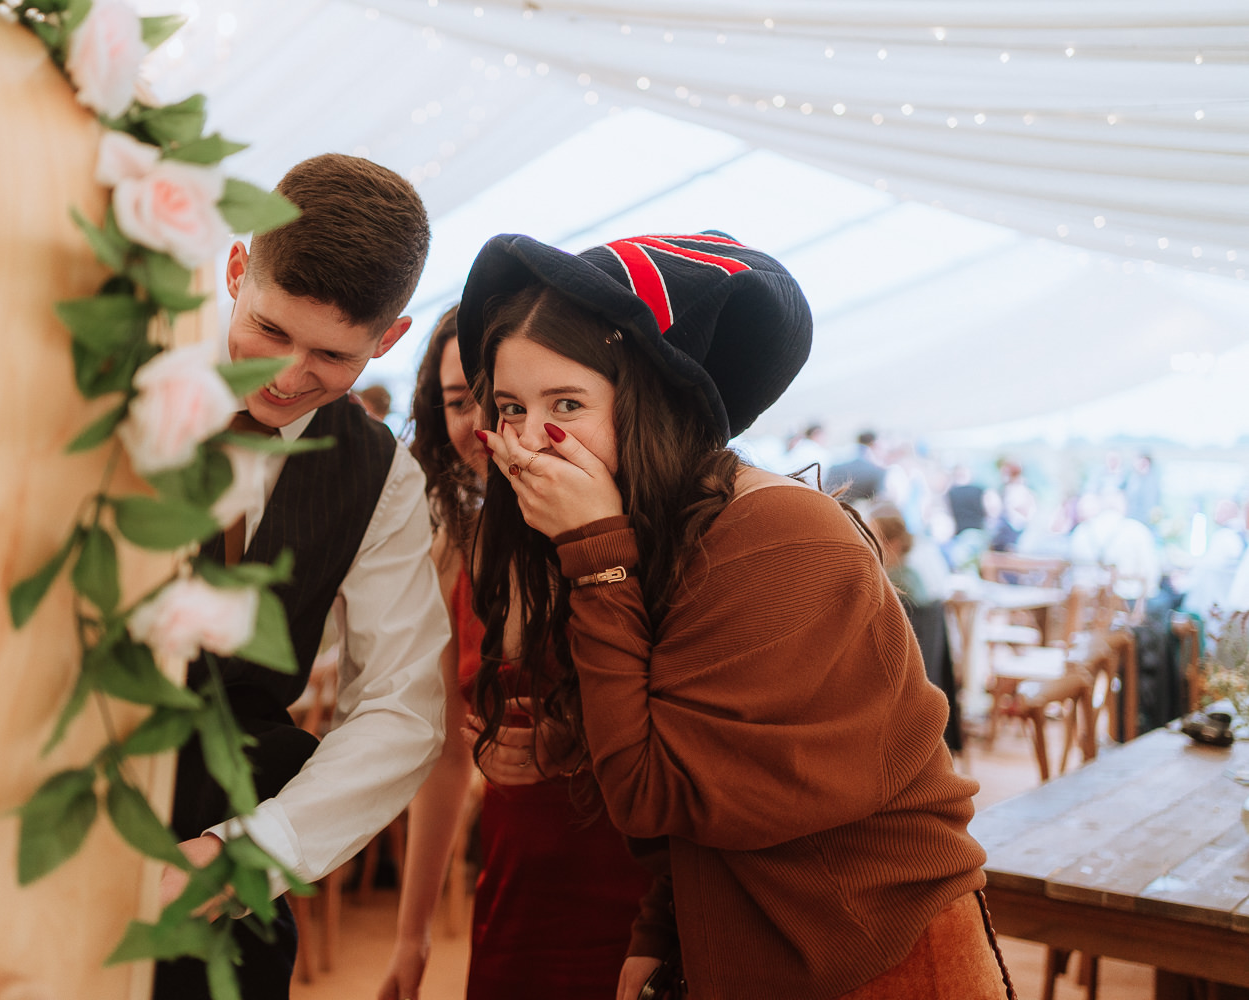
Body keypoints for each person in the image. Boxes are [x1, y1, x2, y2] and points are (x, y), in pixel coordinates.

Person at [459, 231, 1012, 999]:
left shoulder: (777, 535)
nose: (526, 442)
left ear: (651, 400)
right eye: (512, 407)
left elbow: (656, 788)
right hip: (756, 943)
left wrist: (597, 555)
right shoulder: (663, 530)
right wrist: (662, 931)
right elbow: (720, 790)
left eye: (568, 405)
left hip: (871, 954)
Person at [153, 153, 448, 1000]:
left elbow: (400, 709)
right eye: (271, 331)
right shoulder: (119, 379)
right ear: (238, 270)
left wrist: (243, 854)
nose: (287, 377)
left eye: (332, 356)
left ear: (387, 339)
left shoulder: (382, 477)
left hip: (232, 853)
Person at [377, 308, 651, 1000]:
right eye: (459, 403)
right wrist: (412, 938)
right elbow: (440, 754)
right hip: (516, 875)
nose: (484, 427)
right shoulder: (454, 553)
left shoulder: (630, 537)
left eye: (498, 401)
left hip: (640, 879)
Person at [826, 430, 886, 501]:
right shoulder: (876, 470)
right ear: (873, 444)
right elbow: (879, 498)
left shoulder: (838, 458)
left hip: (830, 502)